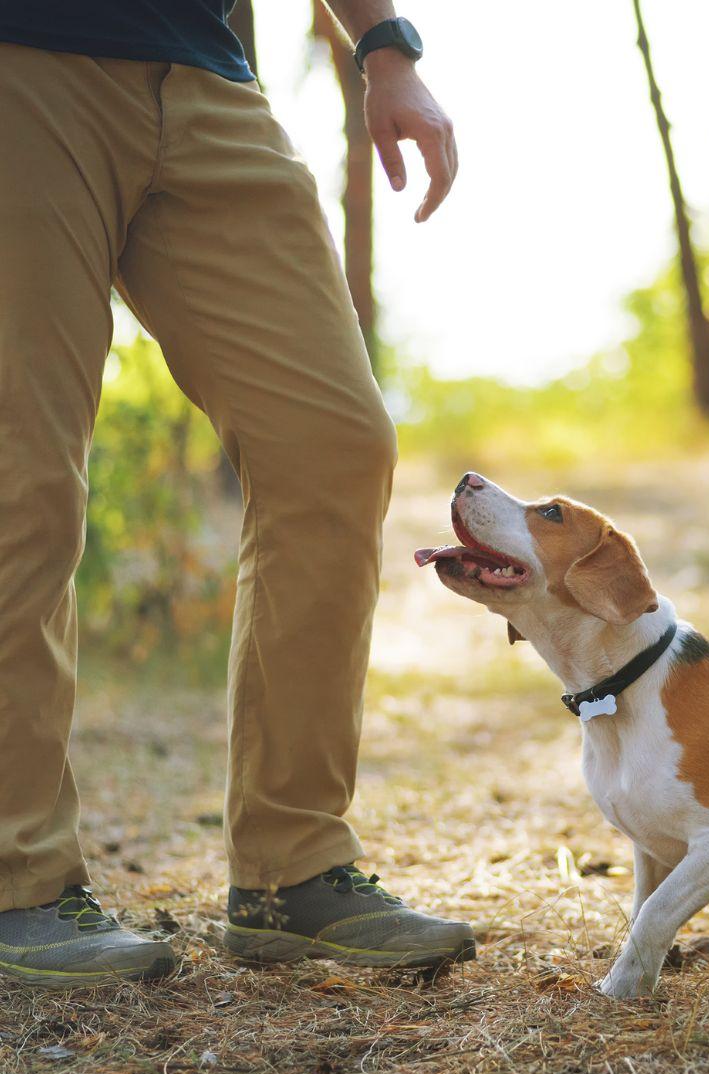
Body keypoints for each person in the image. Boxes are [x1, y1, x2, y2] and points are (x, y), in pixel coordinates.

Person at [0, 0, 473, 987]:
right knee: (23, 474)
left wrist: (385, 47)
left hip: (205, 68)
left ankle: (290, 873)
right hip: (23, 56)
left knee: (334, 444)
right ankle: (18, 883)